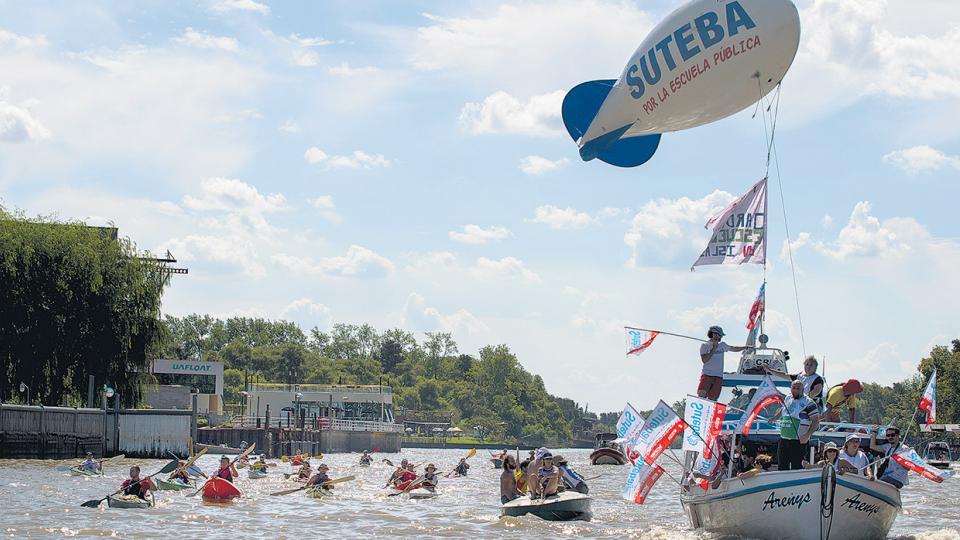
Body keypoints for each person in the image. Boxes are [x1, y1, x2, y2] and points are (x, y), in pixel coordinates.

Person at [769, 380, 821, 471]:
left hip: (798, 441)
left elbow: (816, 421)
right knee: (782, 466)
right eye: (794, 388)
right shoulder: (788, 398)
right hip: (784, 439)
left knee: (797, 467)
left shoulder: (809, 402)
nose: (796, 390)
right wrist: (775, 418)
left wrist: (807, 435)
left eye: (798, 388)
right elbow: (783, 410)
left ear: (803, 390)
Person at [699, 326, 752, 400]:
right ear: (714, 334)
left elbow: (734, 348)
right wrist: (713, 349)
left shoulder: (722, 345)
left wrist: (745, 347)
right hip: (707, 374)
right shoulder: (705, 345)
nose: (721, 337)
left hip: (718, 376)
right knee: (702, 395)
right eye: (720, 335)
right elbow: (704, 360)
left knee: (713, 398)